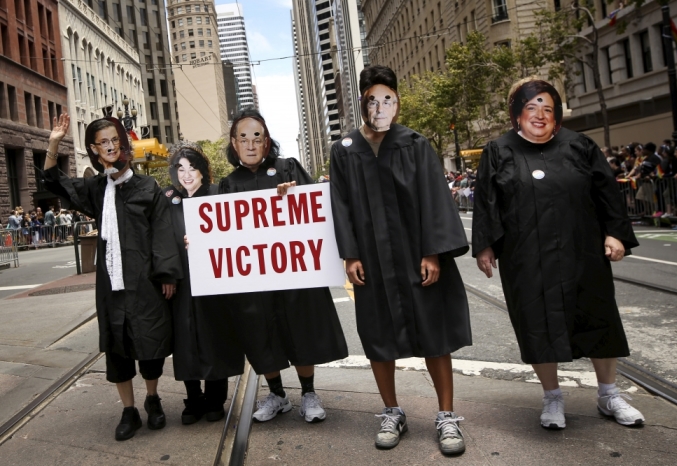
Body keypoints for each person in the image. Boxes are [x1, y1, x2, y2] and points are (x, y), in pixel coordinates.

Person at [472, 78, 645, 431]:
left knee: (597, 316)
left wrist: (615, 233)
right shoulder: (498, 151)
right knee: (537, 322)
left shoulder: (580, 146)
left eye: (547, 108)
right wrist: (486, 245)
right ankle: (552, 397)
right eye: (531, 107)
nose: (540, 115)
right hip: (526, 255)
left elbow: (607, 192)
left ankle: (609, 395)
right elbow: (487, 201)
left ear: (558, 115)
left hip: (582, 250)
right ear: (516, 114)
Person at [330, 65, 472, 456]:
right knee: (378, 336)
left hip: (416, 256)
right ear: (361, 102)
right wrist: (350, 254)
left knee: (434, 333)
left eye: (387, 98)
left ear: (397, 102)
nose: (380, 105)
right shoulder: (343, 151)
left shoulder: (415, 143)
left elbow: (434, 198)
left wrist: (433, 252)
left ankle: (446, 415)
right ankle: (392, 411)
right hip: (371, 262)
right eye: (372, 99)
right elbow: (339, 205)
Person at [42, 114, 183, 441]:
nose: (109, 146)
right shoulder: (95, 189)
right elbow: (53, 181)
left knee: (150, 345)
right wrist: (53, 142)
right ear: (94, 149)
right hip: (112, 285)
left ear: (123, 143)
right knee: (117, 348)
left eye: (113, 140)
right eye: (102, 142)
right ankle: (129, 410)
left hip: (144, 281)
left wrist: (167, 274)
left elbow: (162, 232)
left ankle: (152, 398)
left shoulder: (147, 186)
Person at [218, 108, 348, 424]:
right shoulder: (227, 185)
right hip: (254, 281)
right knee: (260, 333)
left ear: (267, 142)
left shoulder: (287, 168)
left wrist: (294, 196)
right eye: (243, 138)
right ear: (234, 145)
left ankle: (308, 393)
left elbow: (315, 209)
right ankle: (276, 394)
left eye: (257, 137)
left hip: (294, 276)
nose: (250, 145)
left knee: (301, 328)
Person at [164, 141, 246, 424]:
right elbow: (161, 240)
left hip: (214, 278)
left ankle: (215, 398)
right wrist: (168, 274)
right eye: (180, 168)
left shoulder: (217, 193)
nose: (186, 174)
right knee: (185, 339)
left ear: (202, 170)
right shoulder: (169, 200)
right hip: (182, 280)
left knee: (216, 336)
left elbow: (237, 228)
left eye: (192, 168)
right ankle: (193, 397)